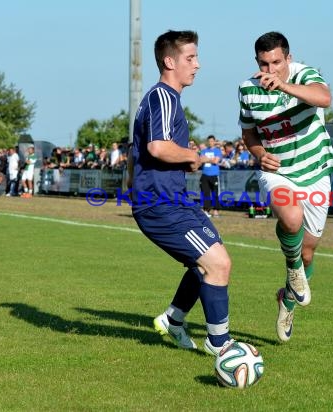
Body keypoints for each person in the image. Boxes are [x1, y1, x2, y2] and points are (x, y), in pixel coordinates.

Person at [130, 30, 234, 355]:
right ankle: (221, 347)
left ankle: (173, 321)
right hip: (159, 205)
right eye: (190, 58)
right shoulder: (161, 97)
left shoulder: (171, 101)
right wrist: (190, 155)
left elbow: (162, 151)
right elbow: (158, 147)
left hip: (176, 201)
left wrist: (186, 160)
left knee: (209, 259)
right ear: (169, 61)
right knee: (217, 264)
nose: (198, 65)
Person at [239, 31, 333, 342]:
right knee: (291, 218)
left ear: (288, 58)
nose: (270, 70)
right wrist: (260, 154)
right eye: (264, 64)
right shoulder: (247, 90)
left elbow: (324, 98)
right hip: (278, 172)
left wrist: (284, 85)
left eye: (276, 62)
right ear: (256, 61)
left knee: (308, 253)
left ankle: (288, 298)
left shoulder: (305, 74)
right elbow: (250, 134)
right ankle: (293, 271)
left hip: (316, 171)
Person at [199, 135, 222, 217]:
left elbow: (216, 161)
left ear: (214, 142)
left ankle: (216, 210)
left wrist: (206, 159)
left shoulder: (217, 151)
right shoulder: (204, 150)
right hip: (205, 174)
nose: (210, 142)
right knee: (205, 193)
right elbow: (201, 160)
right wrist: (210, 159)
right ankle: (206, 209)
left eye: (212, 141)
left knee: (215, 193)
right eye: (209, 141)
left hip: (214, 174)